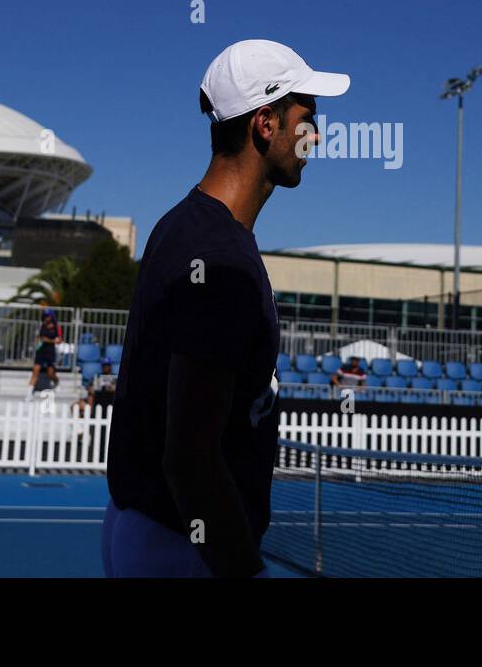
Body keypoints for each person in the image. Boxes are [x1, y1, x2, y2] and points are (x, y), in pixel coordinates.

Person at [104, 39, 349, 578]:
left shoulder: (181, 226)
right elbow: (190, 457)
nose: (317, 134)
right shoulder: (220, 260)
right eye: (307, 118)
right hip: (183, 550)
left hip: (150, 529)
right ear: (266, 123)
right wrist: (246, 573)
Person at [30, 309, 62, 393]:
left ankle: (57, 382)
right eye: (45, 316)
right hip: (40, 351)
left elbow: (59, 340)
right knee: (35, 371)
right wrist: (39, 341)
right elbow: (39, 338)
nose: (46, 318)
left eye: (48, 316)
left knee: (50, 373)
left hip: (50, 351)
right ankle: (29, 393)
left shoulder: (56, 326)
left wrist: (49, 340)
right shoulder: (41, 325)